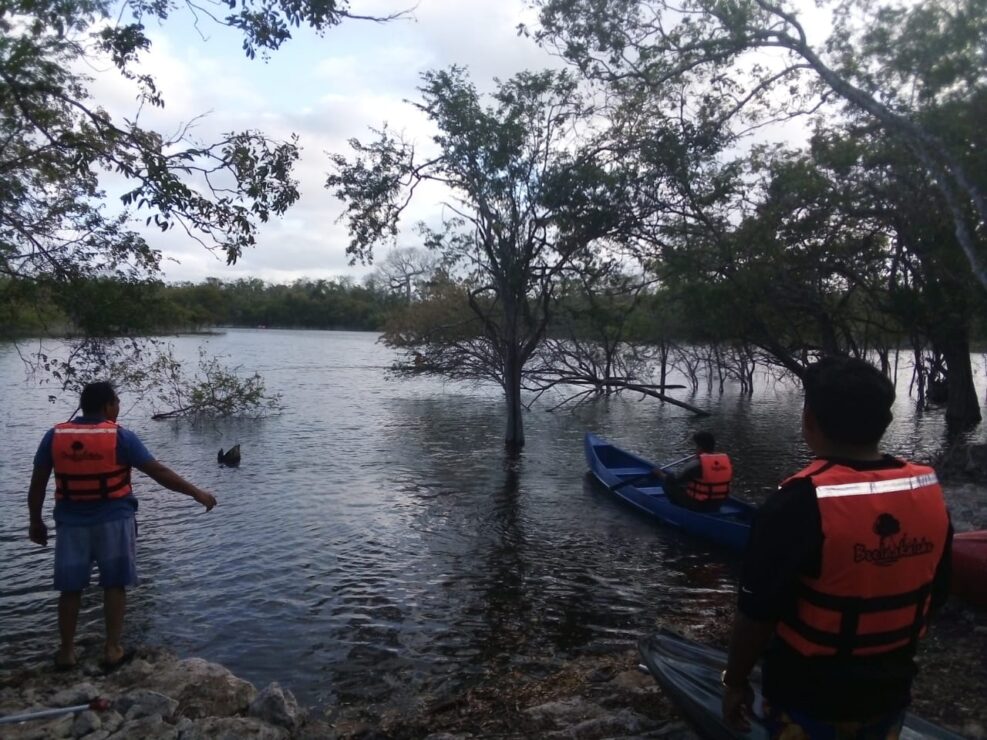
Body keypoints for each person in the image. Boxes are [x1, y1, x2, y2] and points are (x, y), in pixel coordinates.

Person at [721, 356, 952, 739]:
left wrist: (734, 681)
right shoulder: (925, 490)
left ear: (808, 419)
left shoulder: (796, 503)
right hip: (890, 691)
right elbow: (938, 590)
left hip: (809, 699)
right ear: (887, 421)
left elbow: (755, 615)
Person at [28, 381, 217, 672]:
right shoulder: (121, 437)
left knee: (70, 589)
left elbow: (38, 482)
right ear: (107, 406)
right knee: (114, 585)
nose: (118, 408)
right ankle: (112, 649)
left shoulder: (54, 436)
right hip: (114, 521)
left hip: (71, 524)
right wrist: (197, 493)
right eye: (116, 402)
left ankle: (66, 653)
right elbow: (158, 472)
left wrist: (35, 520)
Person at [653, 431, 733, 512]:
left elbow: (674, 479)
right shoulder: (724, 461)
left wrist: (660, 474)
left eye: (696, 446)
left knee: (668, 483)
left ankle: (677, 510)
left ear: (700, 448)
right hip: (718, 503)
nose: (695, 449)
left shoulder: (696, 464)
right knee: (687, 484)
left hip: (699, 505)